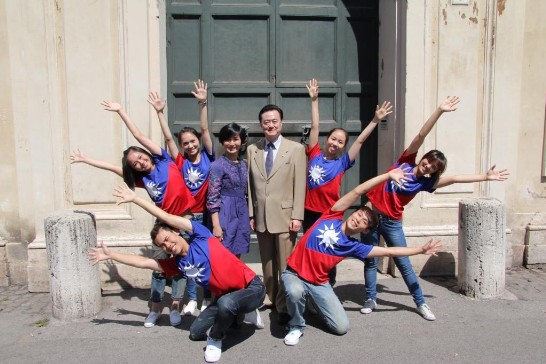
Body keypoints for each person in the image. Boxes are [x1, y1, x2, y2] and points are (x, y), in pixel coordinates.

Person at [362, 96, 509, 320]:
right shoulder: (405, 161)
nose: (427, 164)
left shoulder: (425, 183)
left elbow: (456, 179)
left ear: (433, 171)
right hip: (371, 216)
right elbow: (421, 135)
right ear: (423, 158)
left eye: (432, 166)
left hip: (392, 222)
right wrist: (439, 111)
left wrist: (485, 177)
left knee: (403, 263)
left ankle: (420, 302)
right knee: (370, 259)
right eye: (428, 160)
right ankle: (370, 297)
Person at [89, 183, 265, 363]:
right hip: (226, 297)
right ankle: (242, 311)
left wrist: (135, 199)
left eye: (167, 238)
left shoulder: (201, 236)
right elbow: (144, 262)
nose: (167, 245)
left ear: (176, 231)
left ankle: (216, 338)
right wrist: (111, 255)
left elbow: (165, 216)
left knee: (227, 304)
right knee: (195, 332)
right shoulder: (178, 264)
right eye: (162, 245)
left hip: (252, 287)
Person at [70, 99, 196, 328]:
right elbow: (113, 168)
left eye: (139, 156)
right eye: (134, 163)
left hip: (186, 220)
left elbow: (139, 135)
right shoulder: (143, 179)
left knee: (181, 268)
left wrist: (121, 112)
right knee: (158, 269)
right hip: (165, 226)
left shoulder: (164, 160)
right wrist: (87, 160)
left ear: (145, 153)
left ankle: (176, 306)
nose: (139, 162)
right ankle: (156, 308)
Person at [281, 167, 442, 346]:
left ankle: (312, 300)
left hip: (319, 283)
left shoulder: (353, 246)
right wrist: (387, 176)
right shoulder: (331, 215)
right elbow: (359, 190)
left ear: (365, 230)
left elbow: (389, 251)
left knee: (341, 327)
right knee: (295, 291)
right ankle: (296, 325)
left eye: (364, 221)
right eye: (359, 214)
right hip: (294, 272)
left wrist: (420, 249)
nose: (358, 219)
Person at [303, 78, 393, 286]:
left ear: (344, 147)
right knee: (310, 248)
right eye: (333, 139)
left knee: (328, 250)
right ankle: (310, 285)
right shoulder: (314, 152)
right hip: (309, 212)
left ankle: (328, 286)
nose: (335, 143)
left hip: (330, 213)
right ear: (328, 140)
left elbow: (360, 140)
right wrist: (314, 100)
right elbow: (315, 125)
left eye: (340, 141)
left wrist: (375, 120)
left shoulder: (343, 163)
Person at [149, 79, 215, 314]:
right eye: (185, 143)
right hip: (186, 217)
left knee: (205, 256)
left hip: (205, 216)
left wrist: (202, 104)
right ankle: (192, 299)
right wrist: (159, 113)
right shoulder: (180, 162)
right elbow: (168, 139)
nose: (190, 146)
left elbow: (206, 129)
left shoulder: (208, 156)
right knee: (187, 258)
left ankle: (207, 297)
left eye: (193, 141)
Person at [247, 104, 307, 319]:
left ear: (281, 123)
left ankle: (284, 304)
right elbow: (249, 185)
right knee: (268, 264)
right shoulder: (253, 149)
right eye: (266, 122)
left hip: (285, 216)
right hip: (262, 217)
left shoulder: (296, 149)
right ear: (261, 125)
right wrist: (252, 213)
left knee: (285, 265)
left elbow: (300, 184)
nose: (270, 125)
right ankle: (270, 297)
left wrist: (297, 215)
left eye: (274, 121)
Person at [207, 123, 250, 258]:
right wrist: (216, 226)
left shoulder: (244, 165)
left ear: (241, 141)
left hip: (241, 212)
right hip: (225, 213)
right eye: (228, 139)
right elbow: (212, 198)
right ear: (222, 142)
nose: (232, 143)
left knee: (237, 253)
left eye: (235, 139)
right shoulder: (217, 166)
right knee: (224, 254)